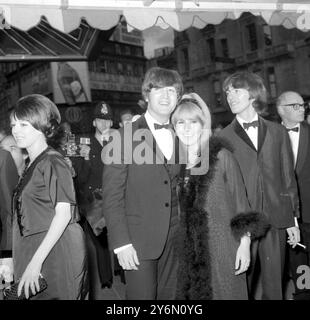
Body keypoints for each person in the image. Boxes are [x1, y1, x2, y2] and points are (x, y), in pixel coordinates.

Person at [172, 93, 269, 300]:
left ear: (203, 125)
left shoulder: (221, 156)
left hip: (224, 246)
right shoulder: (177, 165)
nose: (186, 128)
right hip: (193, 251)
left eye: (193, 122)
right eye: (180, 122)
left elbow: (241, 204)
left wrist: (244, 245)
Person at [100, 67, 183, 300]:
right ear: (147, 95)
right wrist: (121, 244)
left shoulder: (183, 134)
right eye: (158, 90)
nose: (166, 96)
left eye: (172, 90)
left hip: (175, 238)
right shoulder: (124, 136)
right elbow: (112, 196)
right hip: (137, 242)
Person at [219, 71, 300, 300]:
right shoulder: (222, 138)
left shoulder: (278, 131)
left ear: (253, 94)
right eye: (227, 93)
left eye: (236, 91)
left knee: (275, 287)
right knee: (241, 284)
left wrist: (292, 219)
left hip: (276, 220)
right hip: (243, 223)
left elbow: (287, 177)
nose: (230, 97)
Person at [10, 94, 88, 300]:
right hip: (37, 251)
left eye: (23, 124)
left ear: (42, 125)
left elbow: (63, 215)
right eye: (13, 124)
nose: (16, 130)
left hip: (54, 253)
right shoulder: (32, 163)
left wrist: (35, 264)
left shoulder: (53, 162)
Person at [74, 101, 114, 299]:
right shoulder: (83, 143)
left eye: (107, 120)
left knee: (116, 236)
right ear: (93, 122)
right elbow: (79, 177)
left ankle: (121, 271)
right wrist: (84, 158)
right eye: (100, 120)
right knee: (101, 242)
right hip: (94, 201)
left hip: (114, 196)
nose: (104, 124)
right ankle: (106, 279)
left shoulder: (118, 142)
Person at [276, 91, 310, 300]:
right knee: (298, 263)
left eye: (302, 105)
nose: (302, 108)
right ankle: (303, 294)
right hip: (290, 216)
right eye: (295, 106)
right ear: (281, 110)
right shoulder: (270, 136)